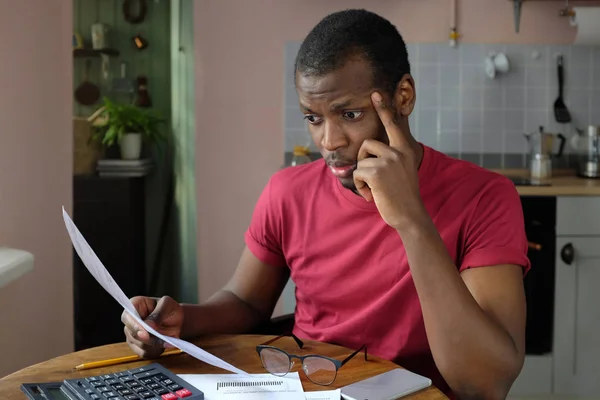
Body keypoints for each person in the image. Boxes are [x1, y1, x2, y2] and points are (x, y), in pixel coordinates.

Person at [122, 9, 530, 400]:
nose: (329, 142)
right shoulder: (288, 192)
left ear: (402, 97)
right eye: (313, 118)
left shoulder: (484, 197)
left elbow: (485, 385)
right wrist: (179, 321)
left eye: (349, 114)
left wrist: (411, 219)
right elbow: (247, 302)